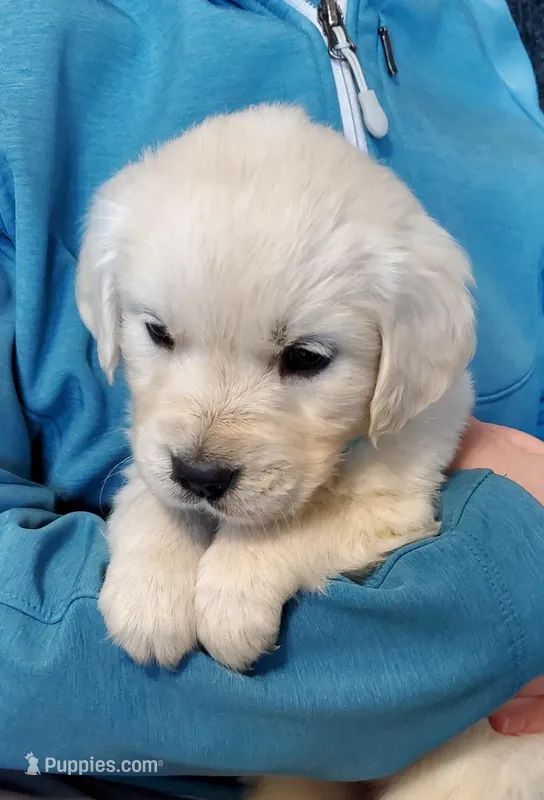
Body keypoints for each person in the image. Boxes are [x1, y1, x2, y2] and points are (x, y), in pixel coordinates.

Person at [0, 1, 543, 798]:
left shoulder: (481, 26)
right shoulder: (32, 48)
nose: (203, 450)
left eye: (303, 358)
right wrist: (511, 585)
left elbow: (390, 498)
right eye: (160, 335)